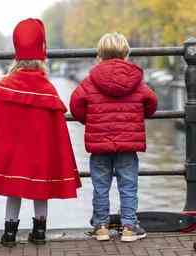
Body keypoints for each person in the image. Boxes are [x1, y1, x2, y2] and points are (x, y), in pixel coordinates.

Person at [0, 18, 81, 247]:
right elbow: (57, 133)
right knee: (40, 188)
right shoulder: (48, 91)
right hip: (40, 156)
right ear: (42, 56)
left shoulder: (3, 86)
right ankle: (40, 232)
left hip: (13, 156)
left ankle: (9, 234)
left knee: (14, 188)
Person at [70, 32, 157, 242]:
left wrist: (88, 120)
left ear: (99, 55)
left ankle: (101, 226)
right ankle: (129, 226)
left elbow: (76, 104)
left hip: (100, 146)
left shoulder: (90, 81)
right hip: (128, 145)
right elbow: (151, 103)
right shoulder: (136, 80)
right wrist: (137, 115)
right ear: (126, 55)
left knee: (101, 186)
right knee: (128, 185)